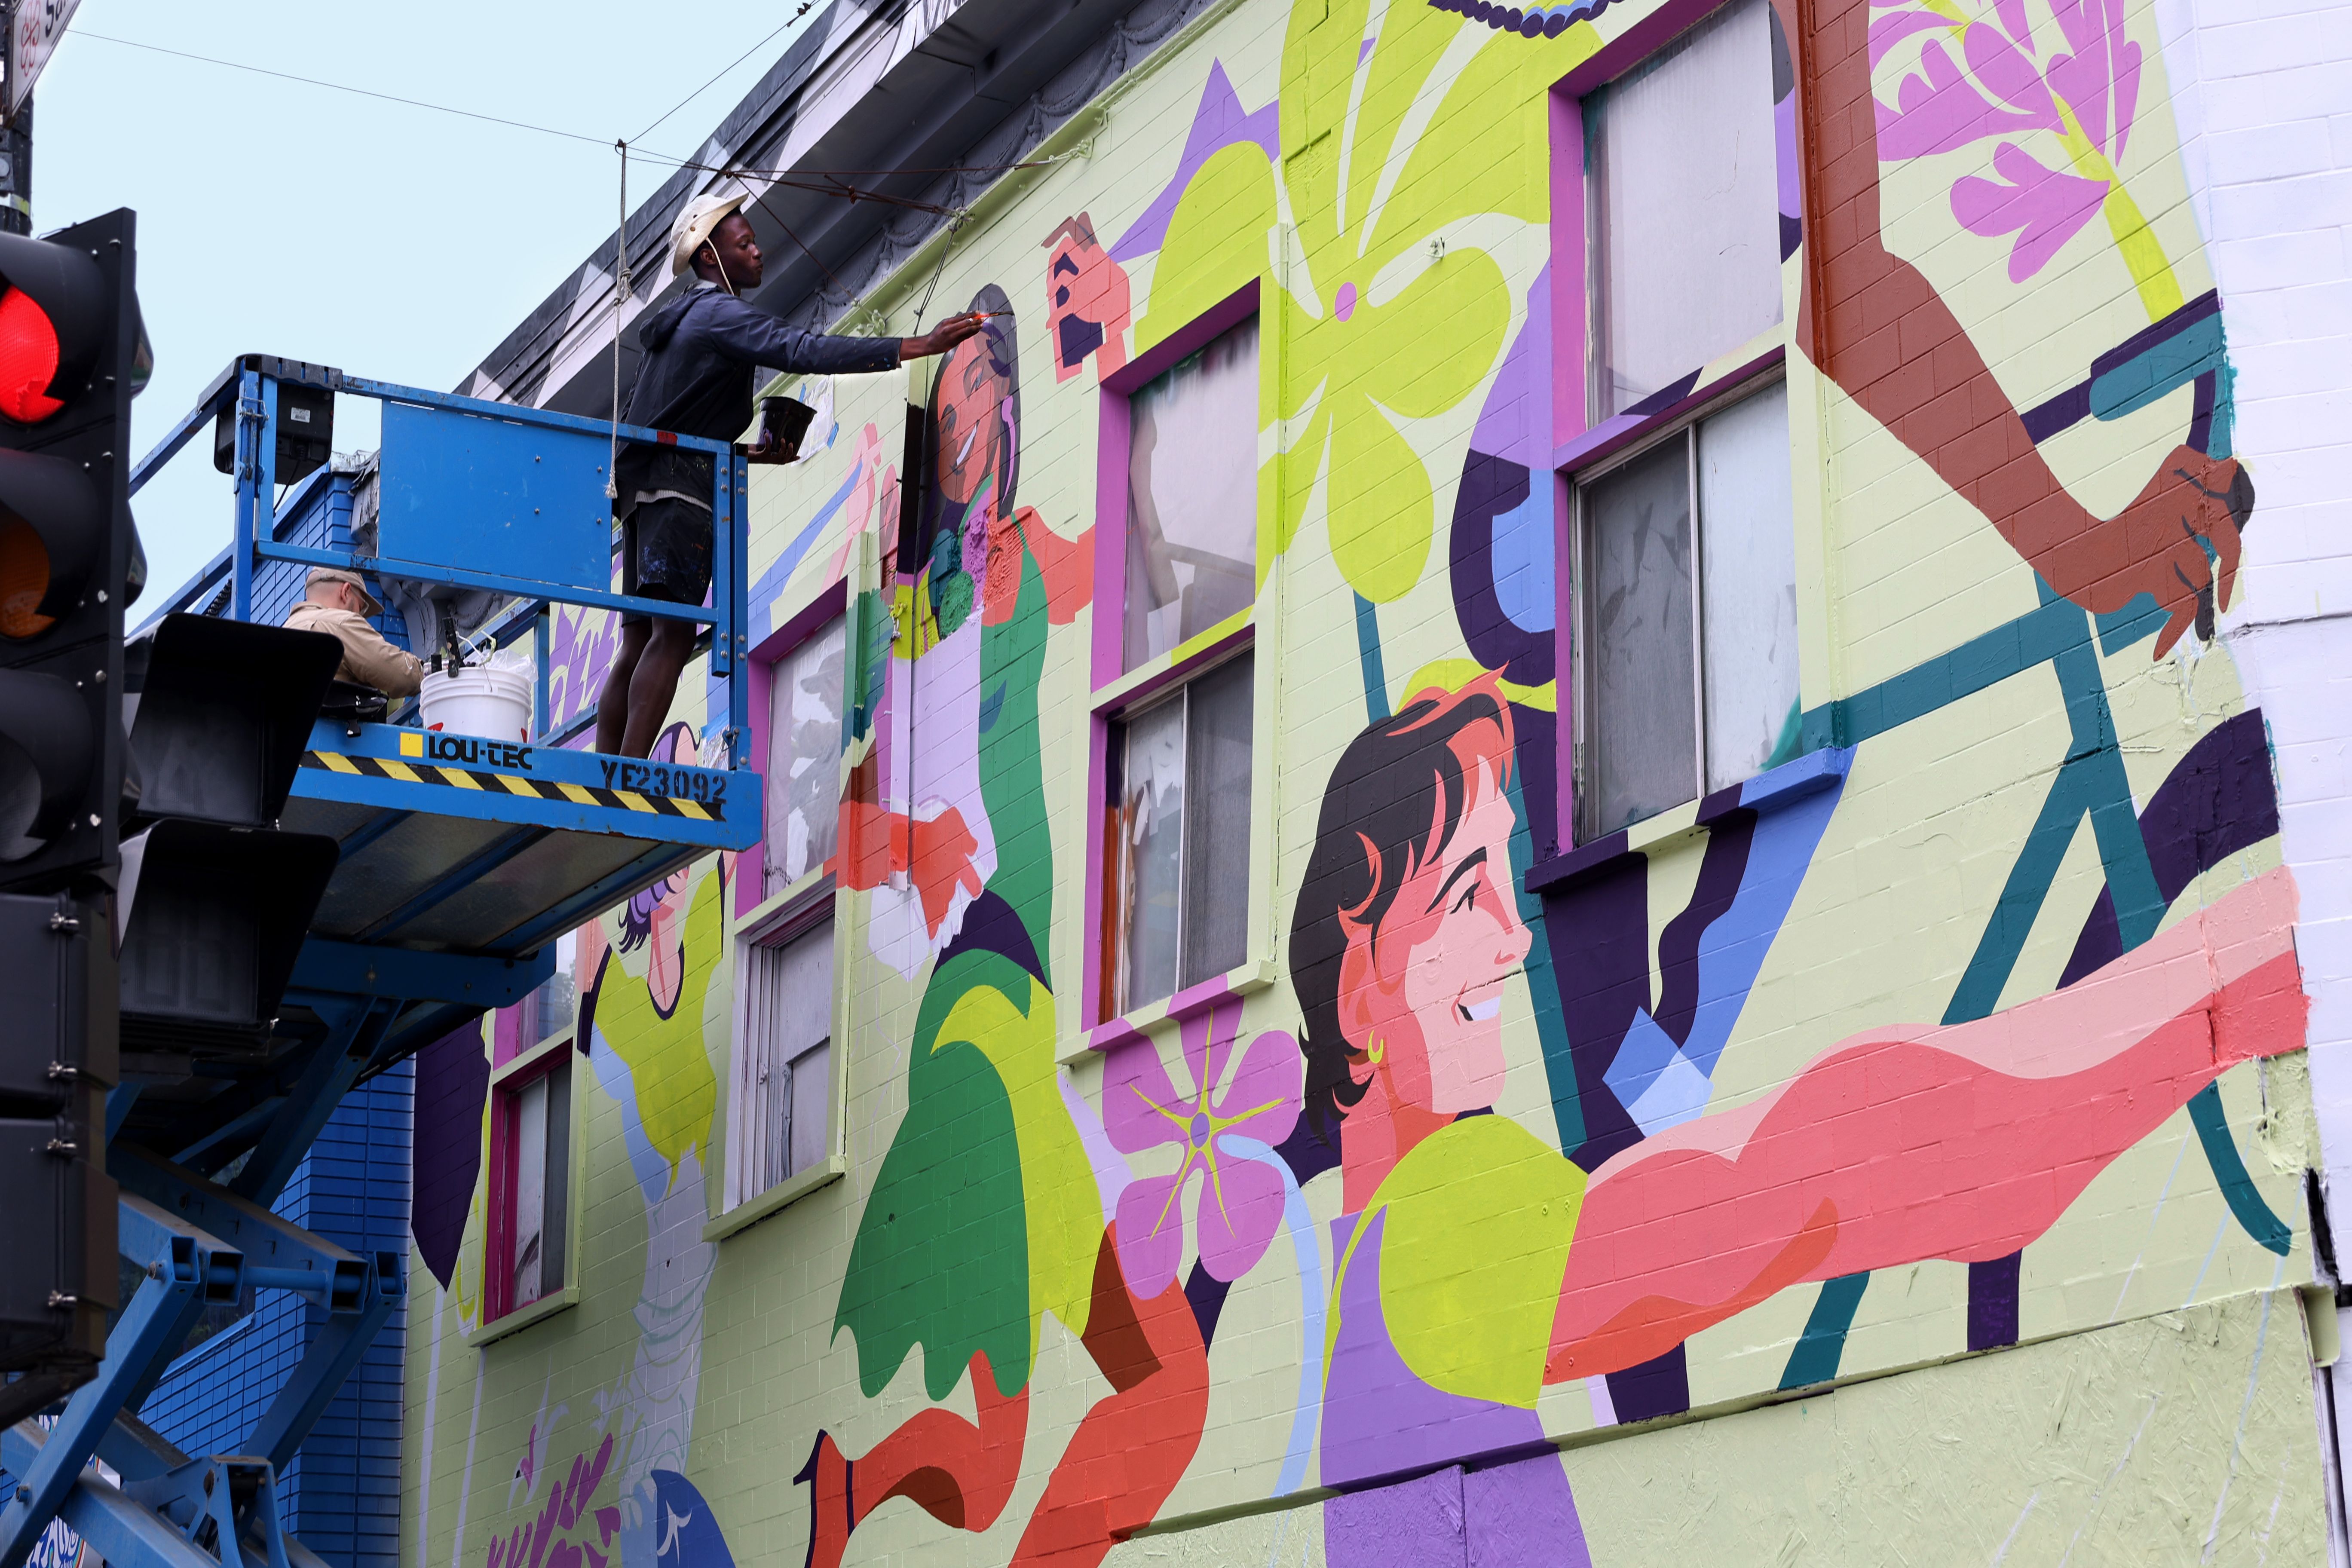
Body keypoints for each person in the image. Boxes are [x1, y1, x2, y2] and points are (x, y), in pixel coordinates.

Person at [1287, 680, 2303, 1565]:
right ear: (1354, 997)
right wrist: (2218, 979)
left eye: (1505, 880)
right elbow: (1798, 1174)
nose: (1514, 936)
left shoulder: (1384, 1256)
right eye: (1466, 895)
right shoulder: (1429, 1235)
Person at [594, 192, 986, 758]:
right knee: (673, 633)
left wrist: (751, 454)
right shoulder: (717, 314)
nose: (758, 252)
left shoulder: (675, 329)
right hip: (682, 495)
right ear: (709, 258)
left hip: (643, 497)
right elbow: (799, 349)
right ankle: (625, 777)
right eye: (744, 243)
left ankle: (604, 773)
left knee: (637, 637)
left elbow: (680, 425)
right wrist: (914, 346)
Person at [285, 566, 424, 698]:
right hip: (329, 722)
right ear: (346, 592)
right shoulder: (340, 623)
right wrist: (430, 671)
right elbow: (400, 675)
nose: (361, 616)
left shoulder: (285, 631)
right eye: (360, 607)